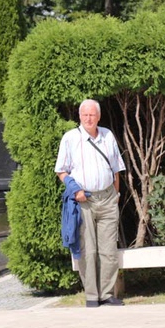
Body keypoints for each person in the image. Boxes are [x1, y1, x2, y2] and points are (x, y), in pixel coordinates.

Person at [55, 99, 126, 308]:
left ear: (98, 116)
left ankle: (106, 293)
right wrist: (75, 190)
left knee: (108, 250)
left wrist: (116, 194)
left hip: (107, 198)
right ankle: (92, 296)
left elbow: (116, 169)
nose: (88, 118)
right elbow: (61, 171)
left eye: (92, 115)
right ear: (79, 116)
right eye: (85, 115)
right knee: (88, 249)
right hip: (84, 200)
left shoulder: (107, 135)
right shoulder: (70, 138)